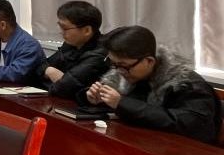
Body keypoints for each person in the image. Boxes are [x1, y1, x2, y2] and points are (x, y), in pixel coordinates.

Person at [86, 26, 220, 144]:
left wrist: (122, 103)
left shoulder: (187, 85)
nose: (118, 71)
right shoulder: (127, 74)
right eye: (113, 64)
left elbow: (189, 126)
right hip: (144, 143)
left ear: (149, 61)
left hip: (186, 153)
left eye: (123, 66)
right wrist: (99, 99)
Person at [32, 0, 109, 98]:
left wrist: (59, 80)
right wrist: (50, 71)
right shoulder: (71, 44)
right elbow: (38, 68)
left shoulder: (99, 54)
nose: (61, 32)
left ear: (87, 30)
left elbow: (63, 89)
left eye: (65, 28)